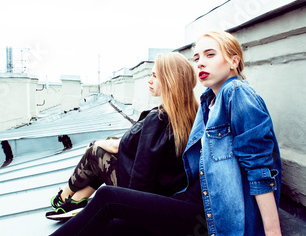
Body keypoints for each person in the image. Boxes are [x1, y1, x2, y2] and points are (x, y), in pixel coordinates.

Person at [0, 30, 306, 236]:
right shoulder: (209, 102)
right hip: (195, 204)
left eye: (210, 55)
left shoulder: (238, 94)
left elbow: (261, 170)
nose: (200, 62)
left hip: (213, 218)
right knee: (117, 227)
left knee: (108, 198)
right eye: (197, 57)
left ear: (234, 60)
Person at [45, 52, 199, 220]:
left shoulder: (159, 118)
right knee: (106, 148)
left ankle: (63, 198)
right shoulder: (192, 112)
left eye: (155, 75)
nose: (149, 80)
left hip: (145, 198)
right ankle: (76, 200)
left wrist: (130, 207)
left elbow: (136, 164)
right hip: (166, 192)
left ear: (170, 80)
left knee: (95, 152)